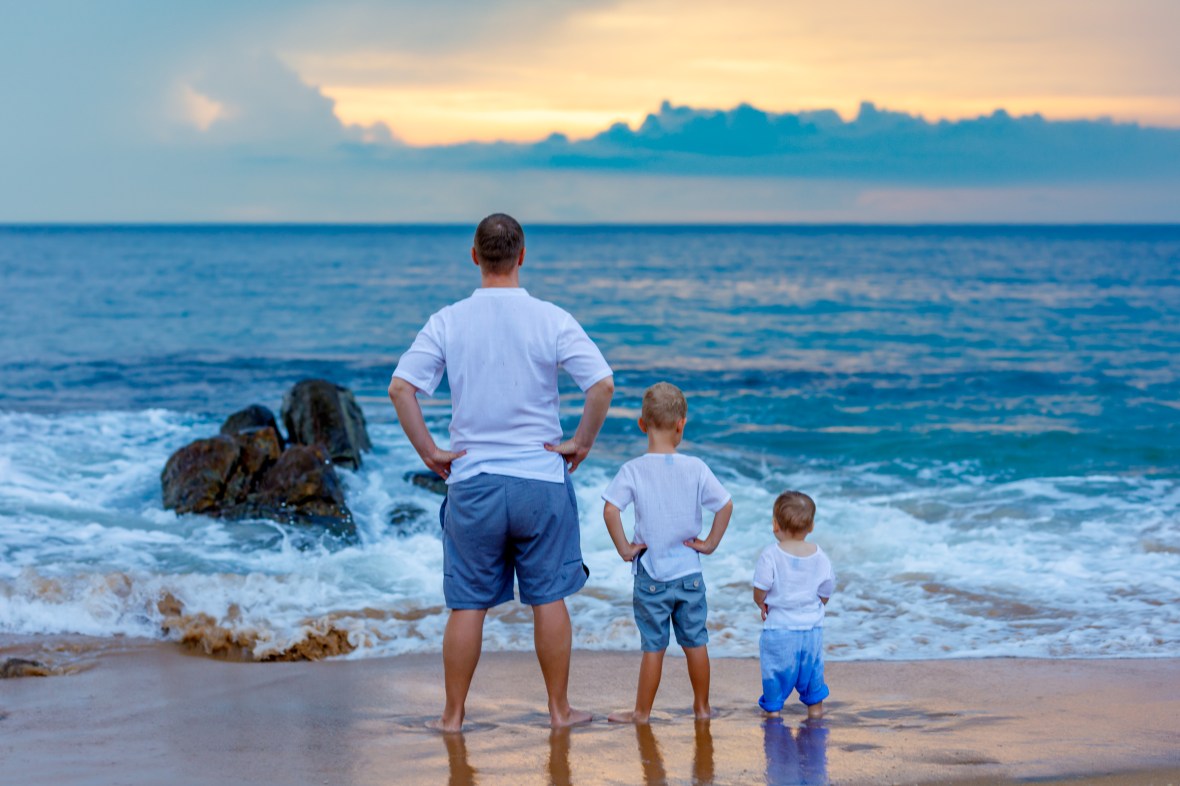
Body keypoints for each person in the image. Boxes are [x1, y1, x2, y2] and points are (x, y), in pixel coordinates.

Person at [388, 213, 614, 732]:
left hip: (474, 481)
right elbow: (600, 384)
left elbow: (402, 388)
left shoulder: (448, 319)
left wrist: (430, 451)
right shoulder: (551, 318)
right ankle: (559, 712)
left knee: (468, 605)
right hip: (539, 479)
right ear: (522, 255)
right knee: (548, 598)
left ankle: (452, 716)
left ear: (474, 256)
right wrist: (581, 442)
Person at [602, 382, 734, 723]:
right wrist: (709, 544)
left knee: (654, 647)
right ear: (681, 424)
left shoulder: (633, 469)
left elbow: (610, 510)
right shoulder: (696, 468)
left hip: (651, 576)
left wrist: (625, 549)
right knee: (696, 643)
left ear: (642, 424)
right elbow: (725, 505)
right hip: (689, 574)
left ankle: (642, 713)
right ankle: (702, 708)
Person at [753, 491, 835, 719]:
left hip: (779, 633)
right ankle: (816, 716)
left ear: (775, 525)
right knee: (813, 683)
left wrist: (761, 603)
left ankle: (773, 717)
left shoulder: (770, 555)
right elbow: (826, 591)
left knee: (775, 684)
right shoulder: (821, 557)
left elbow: (761, 587)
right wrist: (817, 606)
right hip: (811, 633)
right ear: (811, 527)